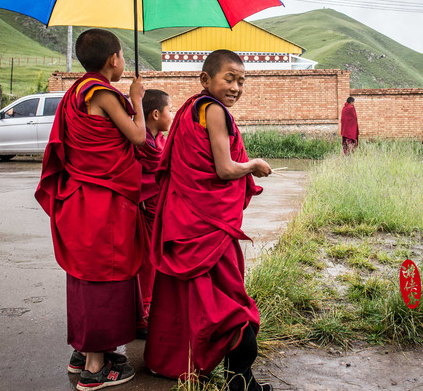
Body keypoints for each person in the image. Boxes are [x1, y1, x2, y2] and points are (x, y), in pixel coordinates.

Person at [145, 49, 273, 391]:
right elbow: (225, 169)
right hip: (208, 225)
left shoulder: (191, 109)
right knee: (229, 301)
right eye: (229, 79)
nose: (236, 87)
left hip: (185, 217)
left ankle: (171, 362)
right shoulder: (214, 111)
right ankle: (240, 382)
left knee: (185, 295)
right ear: (205, 79)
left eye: (241, 81)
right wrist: (253, 165)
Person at [35, 29, 146, 391]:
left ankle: (82, 353)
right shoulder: (104, 93)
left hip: (78, 197)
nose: (123, 61)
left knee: (84, 277)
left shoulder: (76, 92)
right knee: (104, 277)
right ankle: (96, 369)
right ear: (113, 59)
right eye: (122, 55)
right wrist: (137, 99)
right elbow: (138, 137)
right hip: (104, 200)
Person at [134, 89, 174, 340]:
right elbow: (133, 173)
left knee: (158, 261)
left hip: (160, 210)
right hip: (145, 210)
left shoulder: (160, 141)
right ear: (156, 114)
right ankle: (142, 315)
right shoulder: (139, 143)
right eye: (170, 110)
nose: (172, 115)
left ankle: (151, 309)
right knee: (145, 264)